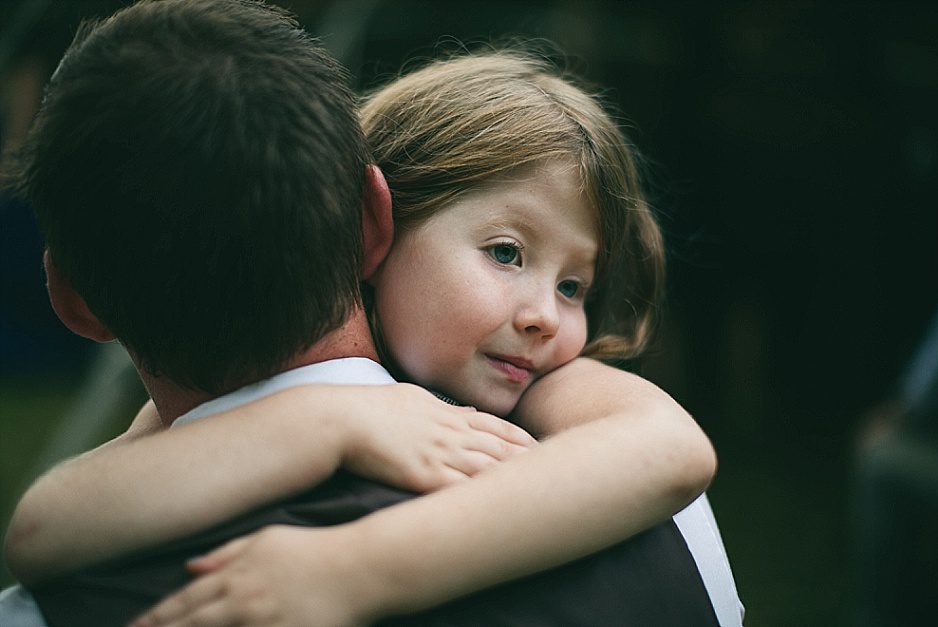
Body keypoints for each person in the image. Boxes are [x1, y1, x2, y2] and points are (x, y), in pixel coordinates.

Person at [0, 1, 741, 626]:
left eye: (576, 286)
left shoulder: (557, 402)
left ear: (72, 300)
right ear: (379, 225)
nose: (547, 316)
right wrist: (333, 424)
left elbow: (671, 448)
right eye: (507, 253)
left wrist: (357, 567)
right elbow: (43, 526)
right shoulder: (678, 542)